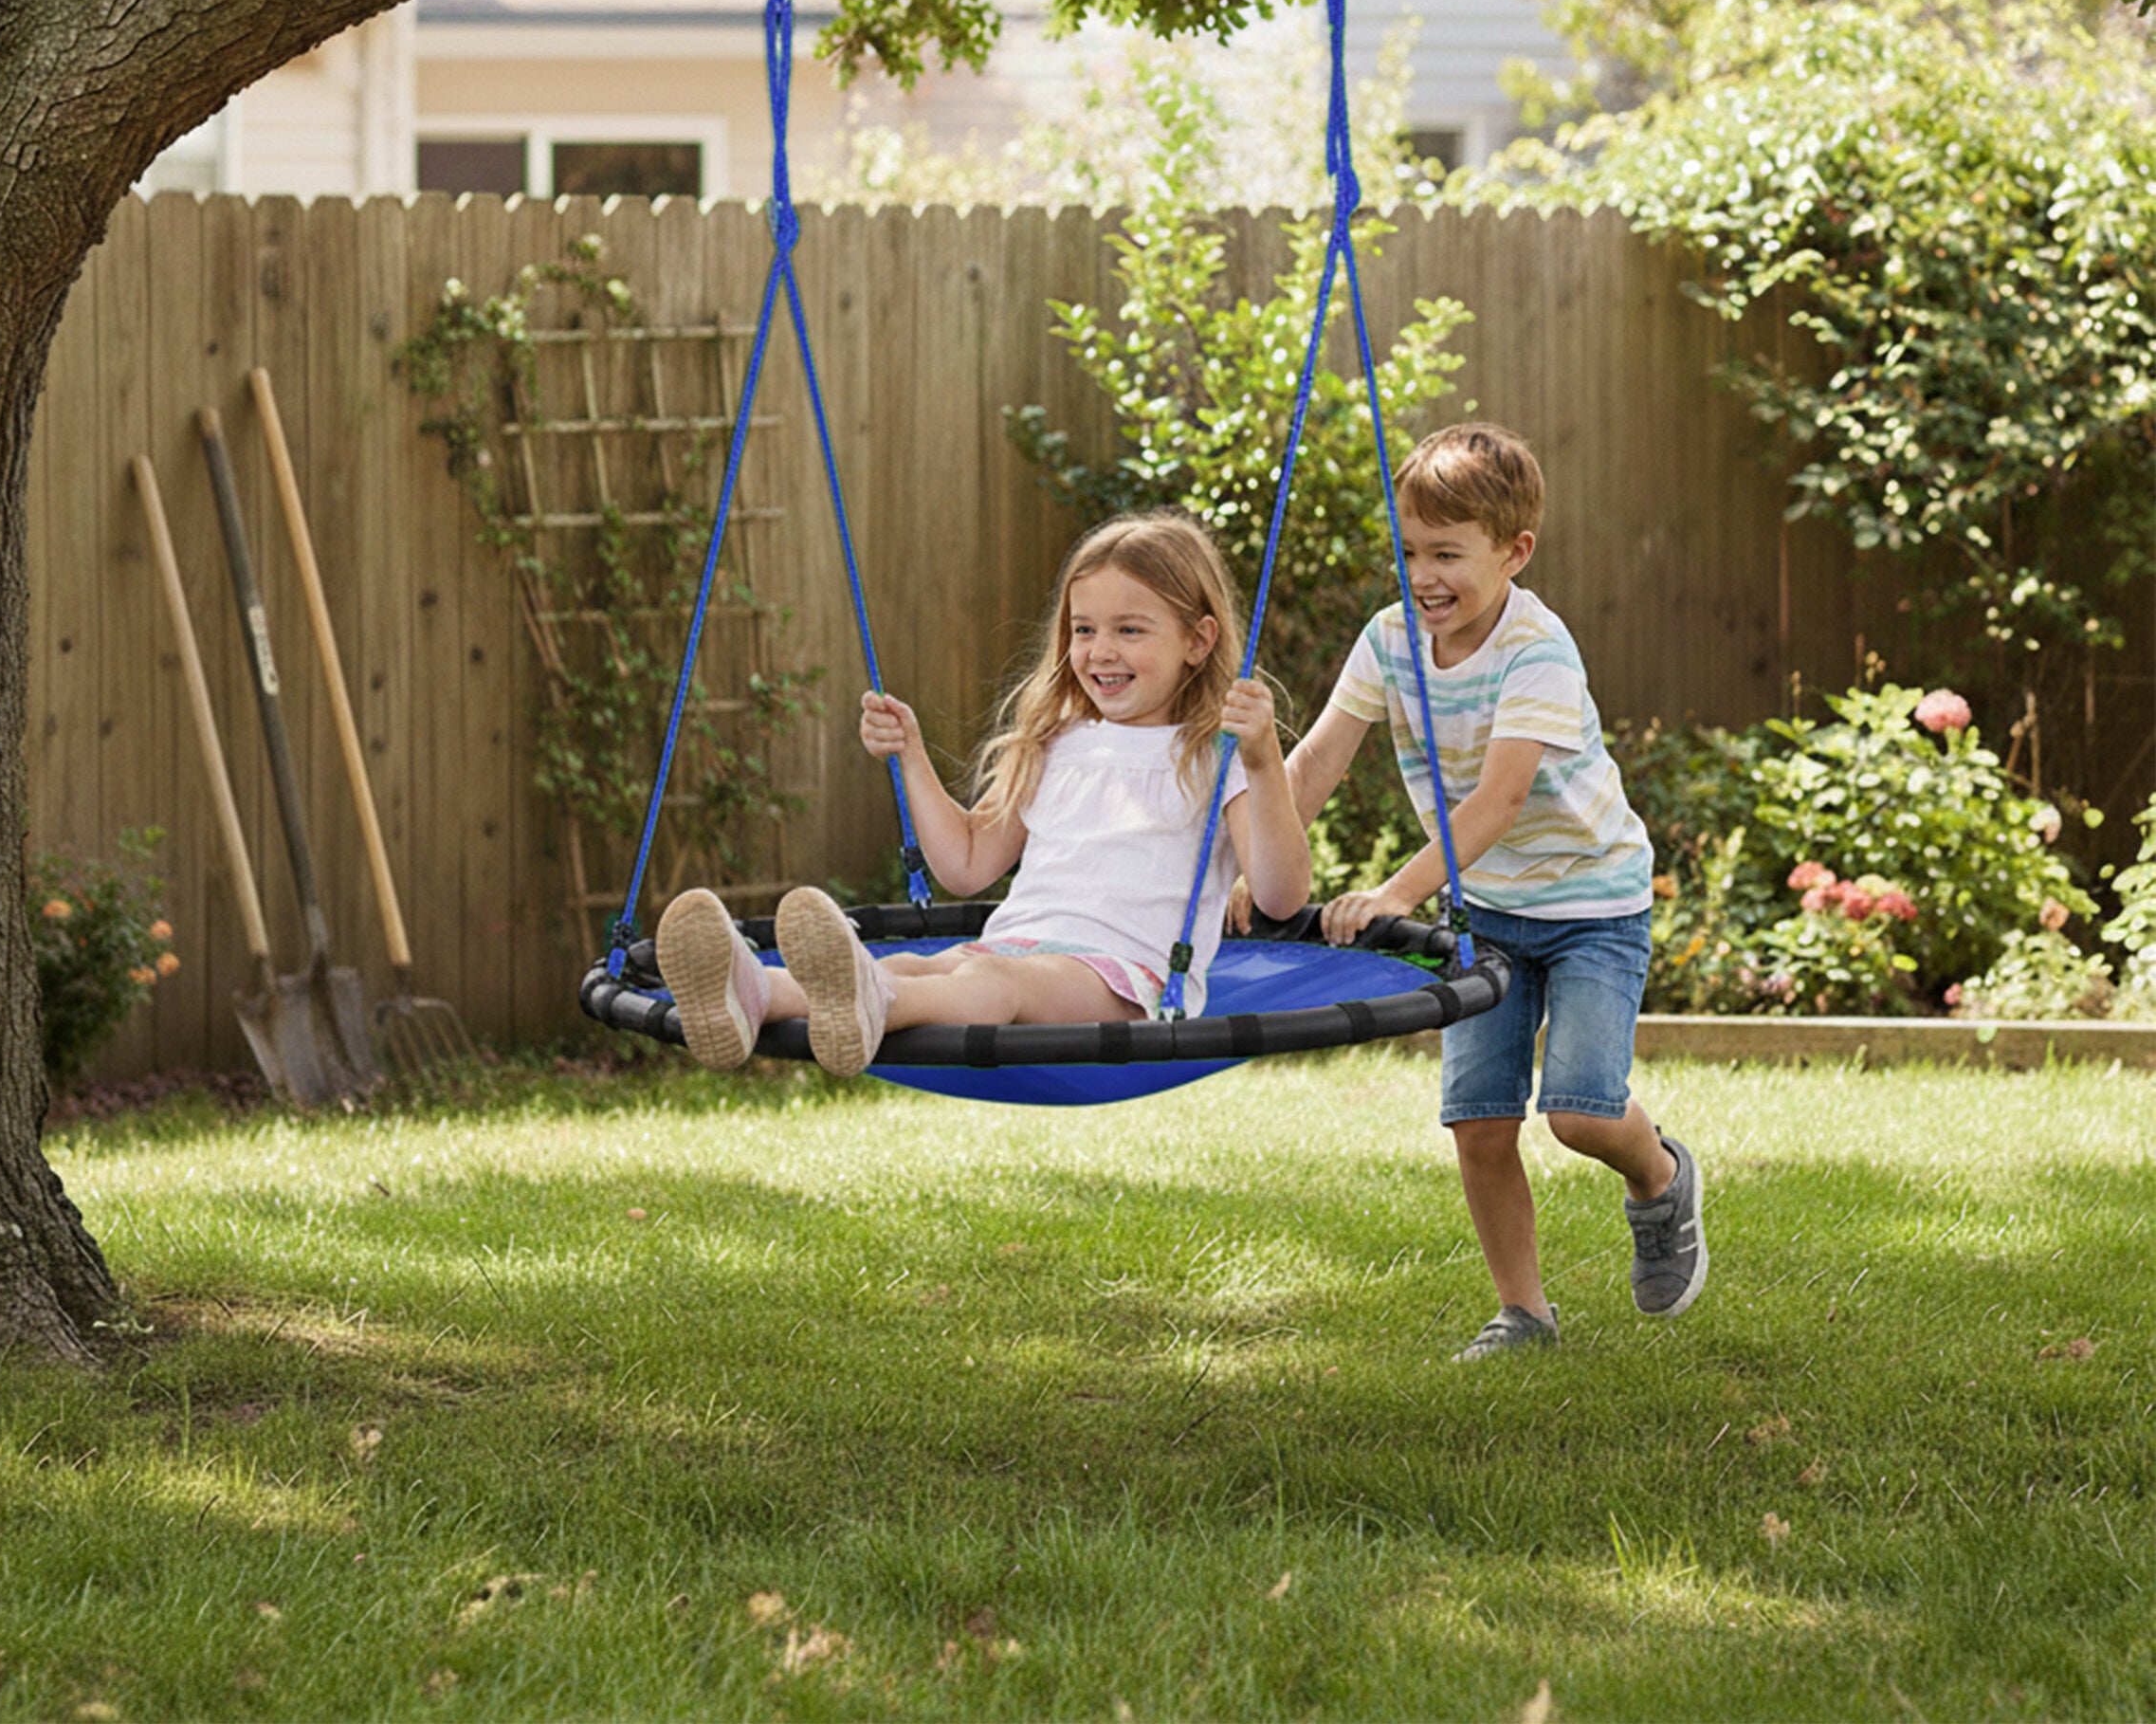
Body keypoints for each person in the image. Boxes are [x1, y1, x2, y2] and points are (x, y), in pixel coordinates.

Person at [1234, 422, 1706, 1359]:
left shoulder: (1537, 650)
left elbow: (1498, 798)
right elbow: (1320, 756)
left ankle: (1658, 1179)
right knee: (1480, 1123)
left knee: (1578, 1110)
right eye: (1409, 551)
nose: (1424, 575)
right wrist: (1250, 862)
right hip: (1485, 909)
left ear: (1514, 551)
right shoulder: (1389, 641)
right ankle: (1523, 1313)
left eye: (1447, 553)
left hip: (1590, 908)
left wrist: (1393, 891)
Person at [655, 510, 1313, 1075]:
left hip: (1125, 983)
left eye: (1129, 630)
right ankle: (747, 992)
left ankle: (869, 1001)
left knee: (986, 983)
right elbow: (967, 865)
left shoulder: (1217, 755)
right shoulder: (1055, 742)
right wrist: (912, 757)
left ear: (1198, 641)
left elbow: (1281, 896)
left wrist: (1263, 765)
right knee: (920, 965)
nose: (1100, 651)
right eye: (1084, 630)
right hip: (1015, 948)